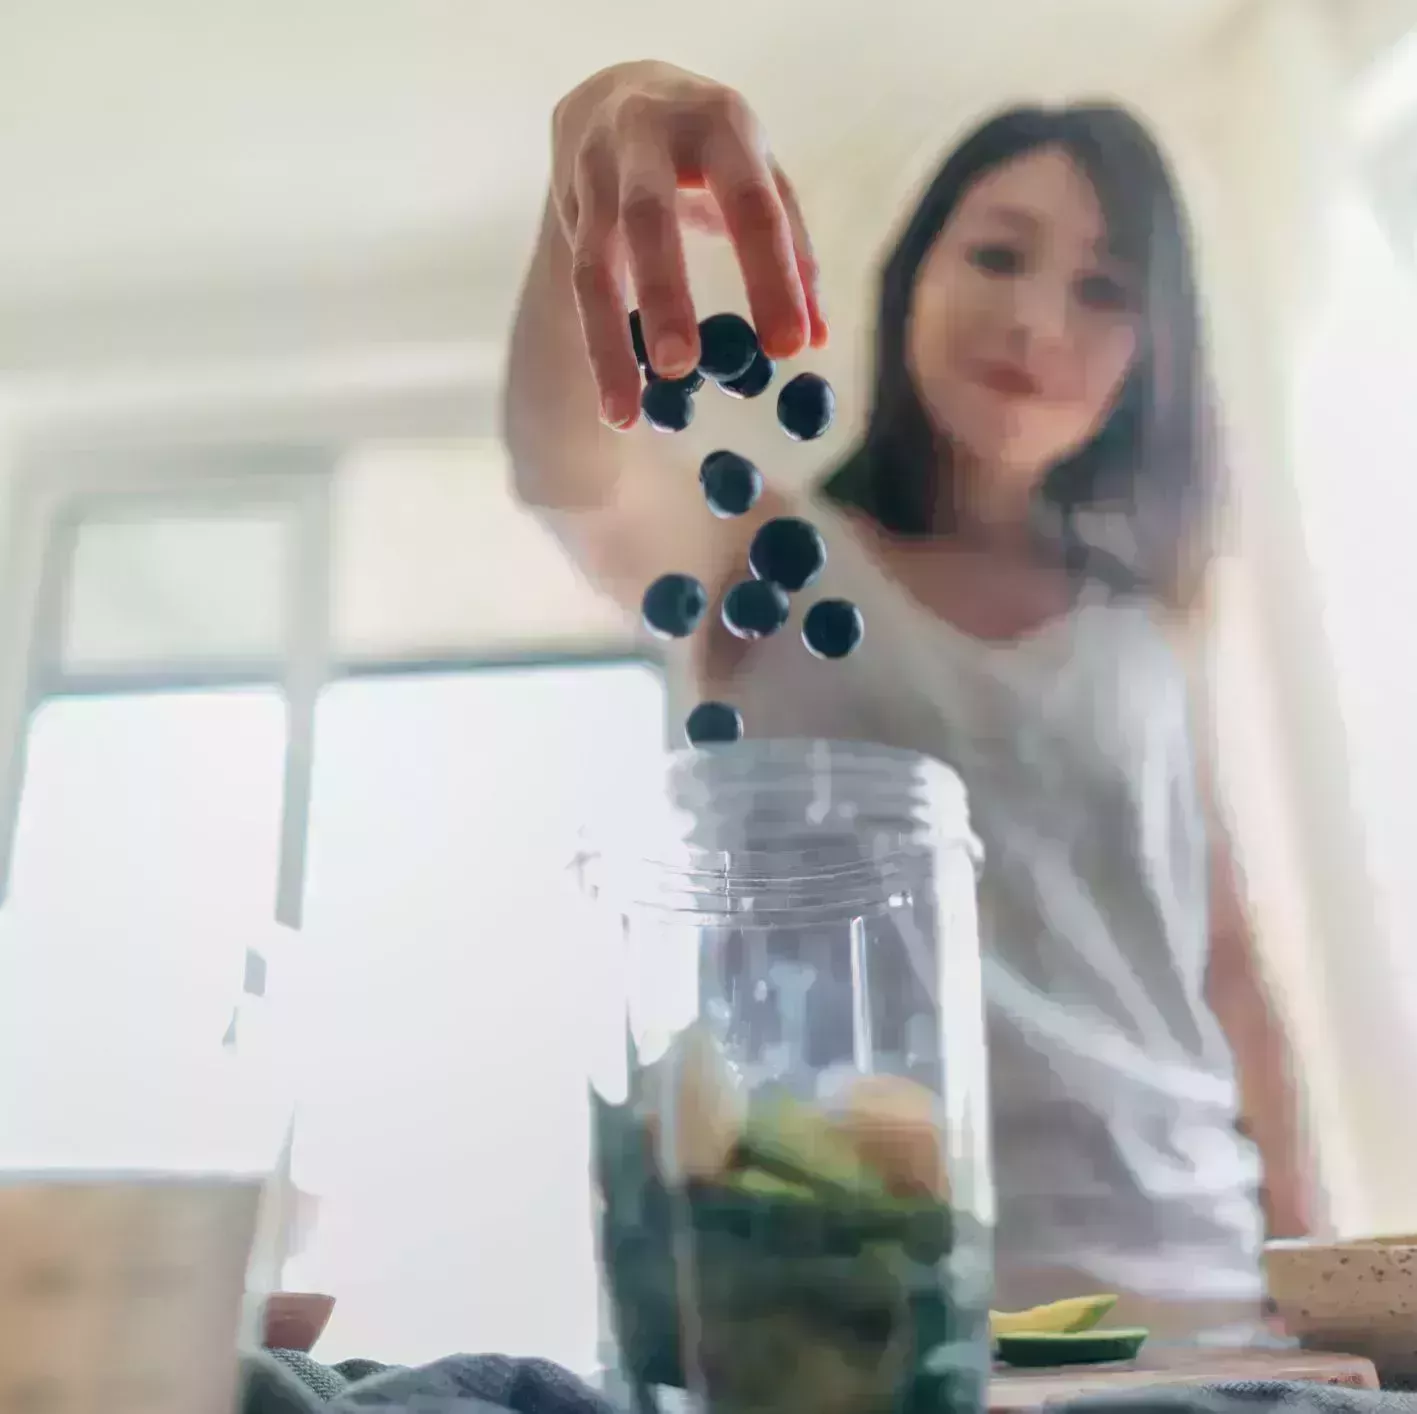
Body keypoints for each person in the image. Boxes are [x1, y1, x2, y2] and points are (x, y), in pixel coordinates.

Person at [502, 60, 1320, 1332]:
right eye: (998, 254)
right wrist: (583, 212)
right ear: (912, 273)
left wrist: (1316, 1275)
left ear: (1148, 355)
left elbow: (1225, 965)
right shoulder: (767, 557)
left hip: (1197, 1292)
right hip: (851, 1301)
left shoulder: (1152, 625)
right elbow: (572, 473)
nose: (1038, 319)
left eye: (1102, 288)